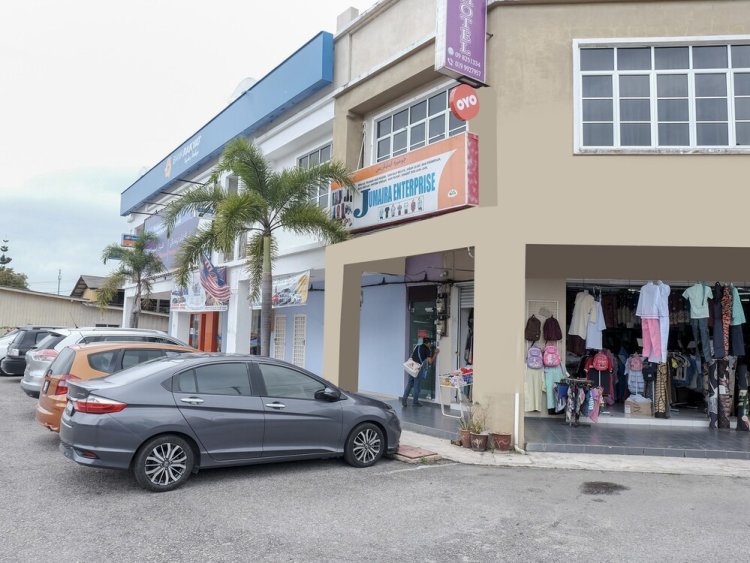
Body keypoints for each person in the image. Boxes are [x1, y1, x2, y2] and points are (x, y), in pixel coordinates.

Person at [402, 337, 439, 407]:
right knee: (417, 386)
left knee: (409, 384)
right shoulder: (427, 349)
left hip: (412, 367)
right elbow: (430, 362)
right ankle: (415, 402)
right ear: (428, 343)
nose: (430, 344)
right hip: (418, 368)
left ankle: (404, 400)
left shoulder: (417, 346)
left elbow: (413, 355)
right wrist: (435, 353)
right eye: (430, 343)